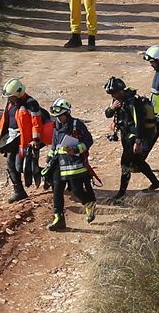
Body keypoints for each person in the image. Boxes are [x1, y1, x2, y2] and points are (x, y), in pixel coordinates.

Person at [103, 77, 159, 200]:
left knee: (125, 163)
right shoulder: (117, 101)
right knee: (138, 162)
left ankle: (121, 193)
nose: (112, 95)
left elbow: (139, 124)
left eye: (113, 93)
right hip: (125, 136)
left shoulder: (132, 103)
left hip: (133, 138)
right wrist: (112, 108)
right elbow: (108, 114)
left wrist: (138, 142)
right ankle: (155, 182)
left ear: (120, 90)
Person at [43, 98, 97, 231]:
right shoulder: (56, 126)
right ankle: (59, 218)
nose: (58, 119)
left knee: (76, 190)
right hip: (58, 163)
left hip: (74, 163)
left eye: (60, 116)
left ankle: (89, 202)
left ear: (67, 114)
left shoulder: (76, 124)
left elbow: (88, 140)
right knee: (57, 190)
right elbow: (54, 146)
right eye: (56, 117)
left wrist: (76, 150)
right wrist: (48, 160)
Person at [0, 79, 46, 203]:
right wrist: (1, 137)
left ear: (18, 93)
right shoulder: (11, 103)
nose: (10, 98)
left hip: (26, 140)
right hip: (12, 139)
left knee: (22, 167)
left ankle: (50, 175)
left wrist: (35, 140)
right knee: (10, 164)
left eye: (11, 96)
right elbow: (6, 119)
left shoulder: (31, 104)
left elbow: (36, 124)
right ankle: (19, 192)